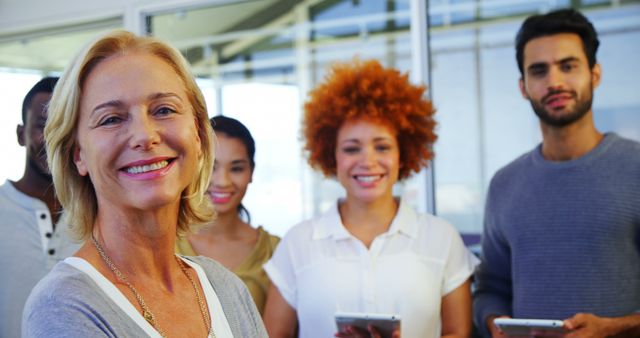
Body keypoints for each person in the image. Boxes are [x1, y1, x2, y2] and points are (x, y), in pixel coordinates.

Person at [22, 30, 268, 337]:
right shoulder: (63, 305)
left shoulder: (225, 288)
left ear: (199, 136)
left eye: (164, 110)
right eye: (111, 118)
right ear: (78, 155)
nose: (144, 136)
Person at [263, 59, 479, 338]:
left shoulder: (441, 238)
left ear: (403, 153)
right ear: (332, 156)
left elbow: (458, 333)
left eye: (382, 146)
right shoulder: (298, 244)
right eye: (352, 149)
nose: (368, 161)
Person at [473, 8, 640, 338]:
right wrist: (494, 323)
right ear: (523, 87)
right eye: (539, 71)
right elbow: (490, 288)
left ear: (595, 74)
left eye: (568, 66)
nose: (555, 82)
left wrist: (615, 329)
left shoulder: (635, 169)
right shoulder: (504, 184)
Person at [0, 77, 82, 338]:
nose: (54, 138)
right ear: (20, 134)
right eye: (42, 126)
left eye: (65, 126)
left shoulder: (101, 217)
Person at [176, 115, 280, 314]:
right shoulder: (163, 245)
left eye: (237, 168)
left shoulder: (275, 251)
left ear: (251, 172)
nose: (222, 181)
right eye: (211, 168)